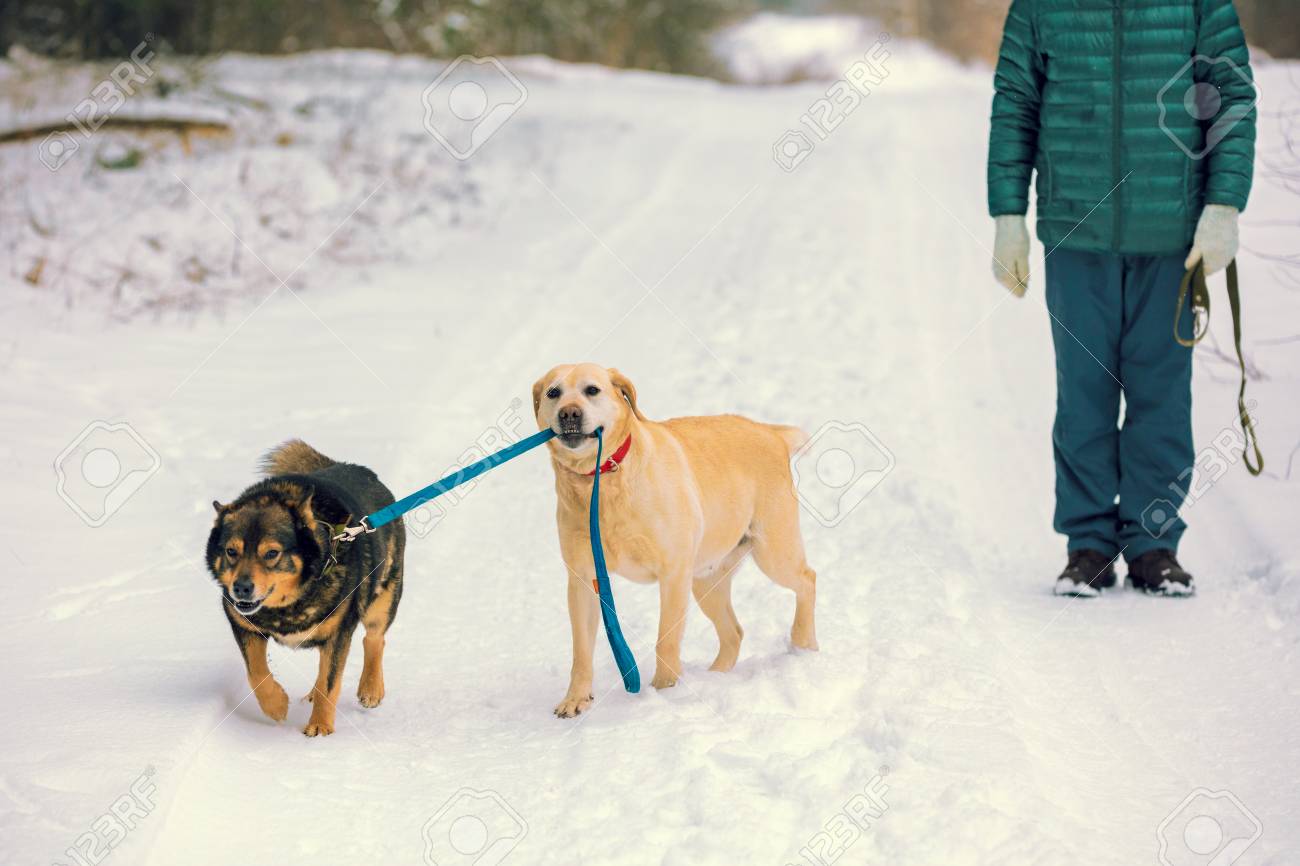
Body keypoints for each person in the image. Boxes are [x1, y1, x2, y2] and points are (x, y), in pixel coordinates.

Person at [986, 0, 1256, 597]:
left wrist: (1223, 205)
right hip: (1076, 231)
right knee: (1083, 394)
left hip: (1172, 238)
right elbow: (1015, 104)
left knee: (1160, 396)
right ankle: (1088, 546)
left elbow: (1229, 97)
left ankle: (1153, 546)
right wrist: (1008, 214)